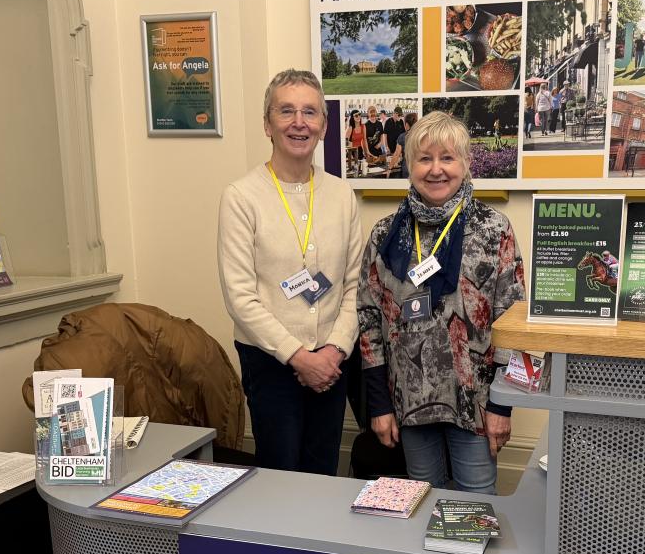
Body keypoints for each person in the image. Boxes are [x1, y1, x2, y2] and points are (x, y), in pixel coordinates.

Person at [357, 111, 525, 495]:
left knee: (475, 508)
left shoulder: (493, 228)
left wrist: (502, 405)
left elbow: (513, 320)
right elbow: (369, 318)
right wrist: (379, 406)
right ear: (410, 165)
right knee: (421, 505)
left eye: (447, 158)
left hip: (477, 403)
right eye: (425, 158)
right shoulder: (386, 233)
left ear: (466, 164)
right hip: (411, 403)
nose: (436, 169)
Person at [218, 69, 362, 475]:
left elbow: (355, 286)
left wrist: (333, 351)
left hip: (333, 363)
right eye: (286, 111)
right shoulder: (241, 198)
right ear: (268, 124)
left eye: (310, 113)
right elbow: (240, 298)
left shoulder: (342, 195)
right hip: (271, 363)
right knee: (279, 475)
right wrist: (300, 358)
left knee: (322, 472)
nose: (299, 122)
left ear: (323, 126)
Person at [388, 111, 417, 179]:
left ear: (406, 125)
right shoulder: (421, 136)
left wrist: (389, 169)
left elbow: (396, 154)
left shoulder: (402, 137)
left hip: (407, 170)